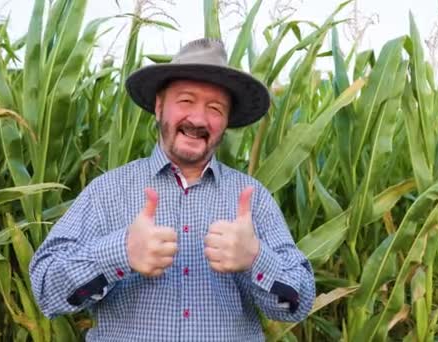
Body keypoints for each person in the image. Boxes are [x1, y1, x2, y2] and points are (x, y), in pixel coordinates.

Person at [29, 38, 316, 341]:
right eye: (186, 101)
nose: (198, 118)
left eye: (215, 108)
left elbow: (299, 303)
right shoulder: (108, 191)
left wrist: (256, 258)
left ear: (226, 122)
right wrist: (119, 253)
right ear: (159, 107)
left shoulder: (252, 198)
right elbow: (47, 289)